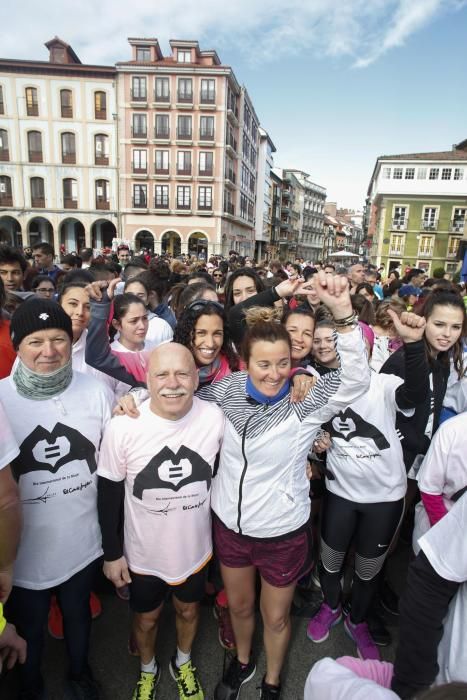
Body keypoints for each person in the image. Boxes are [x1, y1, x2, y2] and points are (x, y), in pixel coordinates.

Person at [196, 272, 371, 699]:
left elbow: (356, 380)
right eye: (263, 363)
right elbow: (176, 401)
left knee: (274, 618)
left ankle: (272, 681)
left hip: (281, 533)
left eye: (281, 363)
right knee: (239, 607)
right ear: (243, 361)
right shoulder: (226, 392)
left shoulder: (305, 399)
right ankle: (242, 662)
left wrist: (344, 313)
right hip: (231, 529)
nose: (273, 373)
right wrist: (135, 402)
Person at [97, 343, 224, 700]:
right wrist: (111, 553)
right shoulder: (123, 427)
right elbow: (107, 494)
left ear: (196, 377)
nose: (173, 383)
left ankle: (182, 662)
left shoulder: (214, 417)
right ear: (147, 380)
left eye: (182, 373)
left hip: (195, 549)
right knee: (147, 619)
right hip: (143, 555)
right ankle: (148, 669)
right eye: (162, 374)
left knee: (188, 611)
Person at [0, 298, 112, 699]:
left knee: (79, 613)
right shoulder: (1, 400)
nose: (49, 351)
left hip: (82, 541)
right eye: (36, 341)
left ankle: (81, 675)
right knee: (28, 629)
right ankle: (30, 687)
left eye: (58, 339)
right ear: (16, 343)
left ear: (71, 340)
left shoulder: (95, 390)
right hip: (24, 554)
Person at [306, 308, 429, 660]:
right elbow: (311, 431)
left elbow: (415, 397)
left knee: (368, 569)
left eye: (344, 342)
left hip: (383, 497)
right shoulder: (320, 387)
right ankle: (330, 606)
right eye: (328, 343)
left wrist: (415, 346)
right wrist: (318, 442)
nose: (337, 349)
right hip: (340, 494)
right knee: (329, 561)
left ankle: (356, 619)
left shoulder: (382, 383)